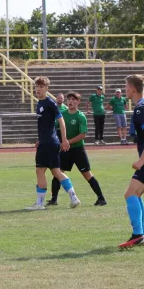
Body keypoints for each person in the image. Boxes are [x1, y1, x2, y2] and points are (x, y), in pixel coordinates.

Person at [26, 77, 81, 211]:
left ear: (47, 88)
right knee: (56, 171)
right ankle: (73, 197)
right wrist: (41, 139)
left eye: (41, 86)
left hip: (49, 143)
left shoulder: (50, 103)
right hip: (47, 142)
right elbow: (47, 126)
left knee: (40, 170)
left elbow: (61, 121)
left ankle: (40, 203)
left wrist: (64, 139)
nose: (38, 89)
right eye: (36, 86)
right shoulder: (40, 103)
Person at [46, 92, 107, 207]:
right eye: (69, 99)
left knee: (87, 174)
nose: (70, 101)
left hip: (78, 150)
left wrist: (67, 142)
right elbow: (54, 127)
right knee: (58, 173)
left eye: (74, 99)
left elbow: (82, 135)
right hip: (65, 150)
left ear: (78, 102)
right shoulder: (62, 114)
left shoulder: (80, 116)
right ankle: (54, 199)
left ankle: (101, 198)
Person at [119, 74, 144, 248]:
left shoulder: (140, 109)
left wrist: (142, 160)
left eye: (126, 87)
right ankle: (140, 235)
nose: (125, 91)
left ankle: (138, 234)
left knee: (130, 194)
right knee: (135, 194)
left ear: (132, 88)